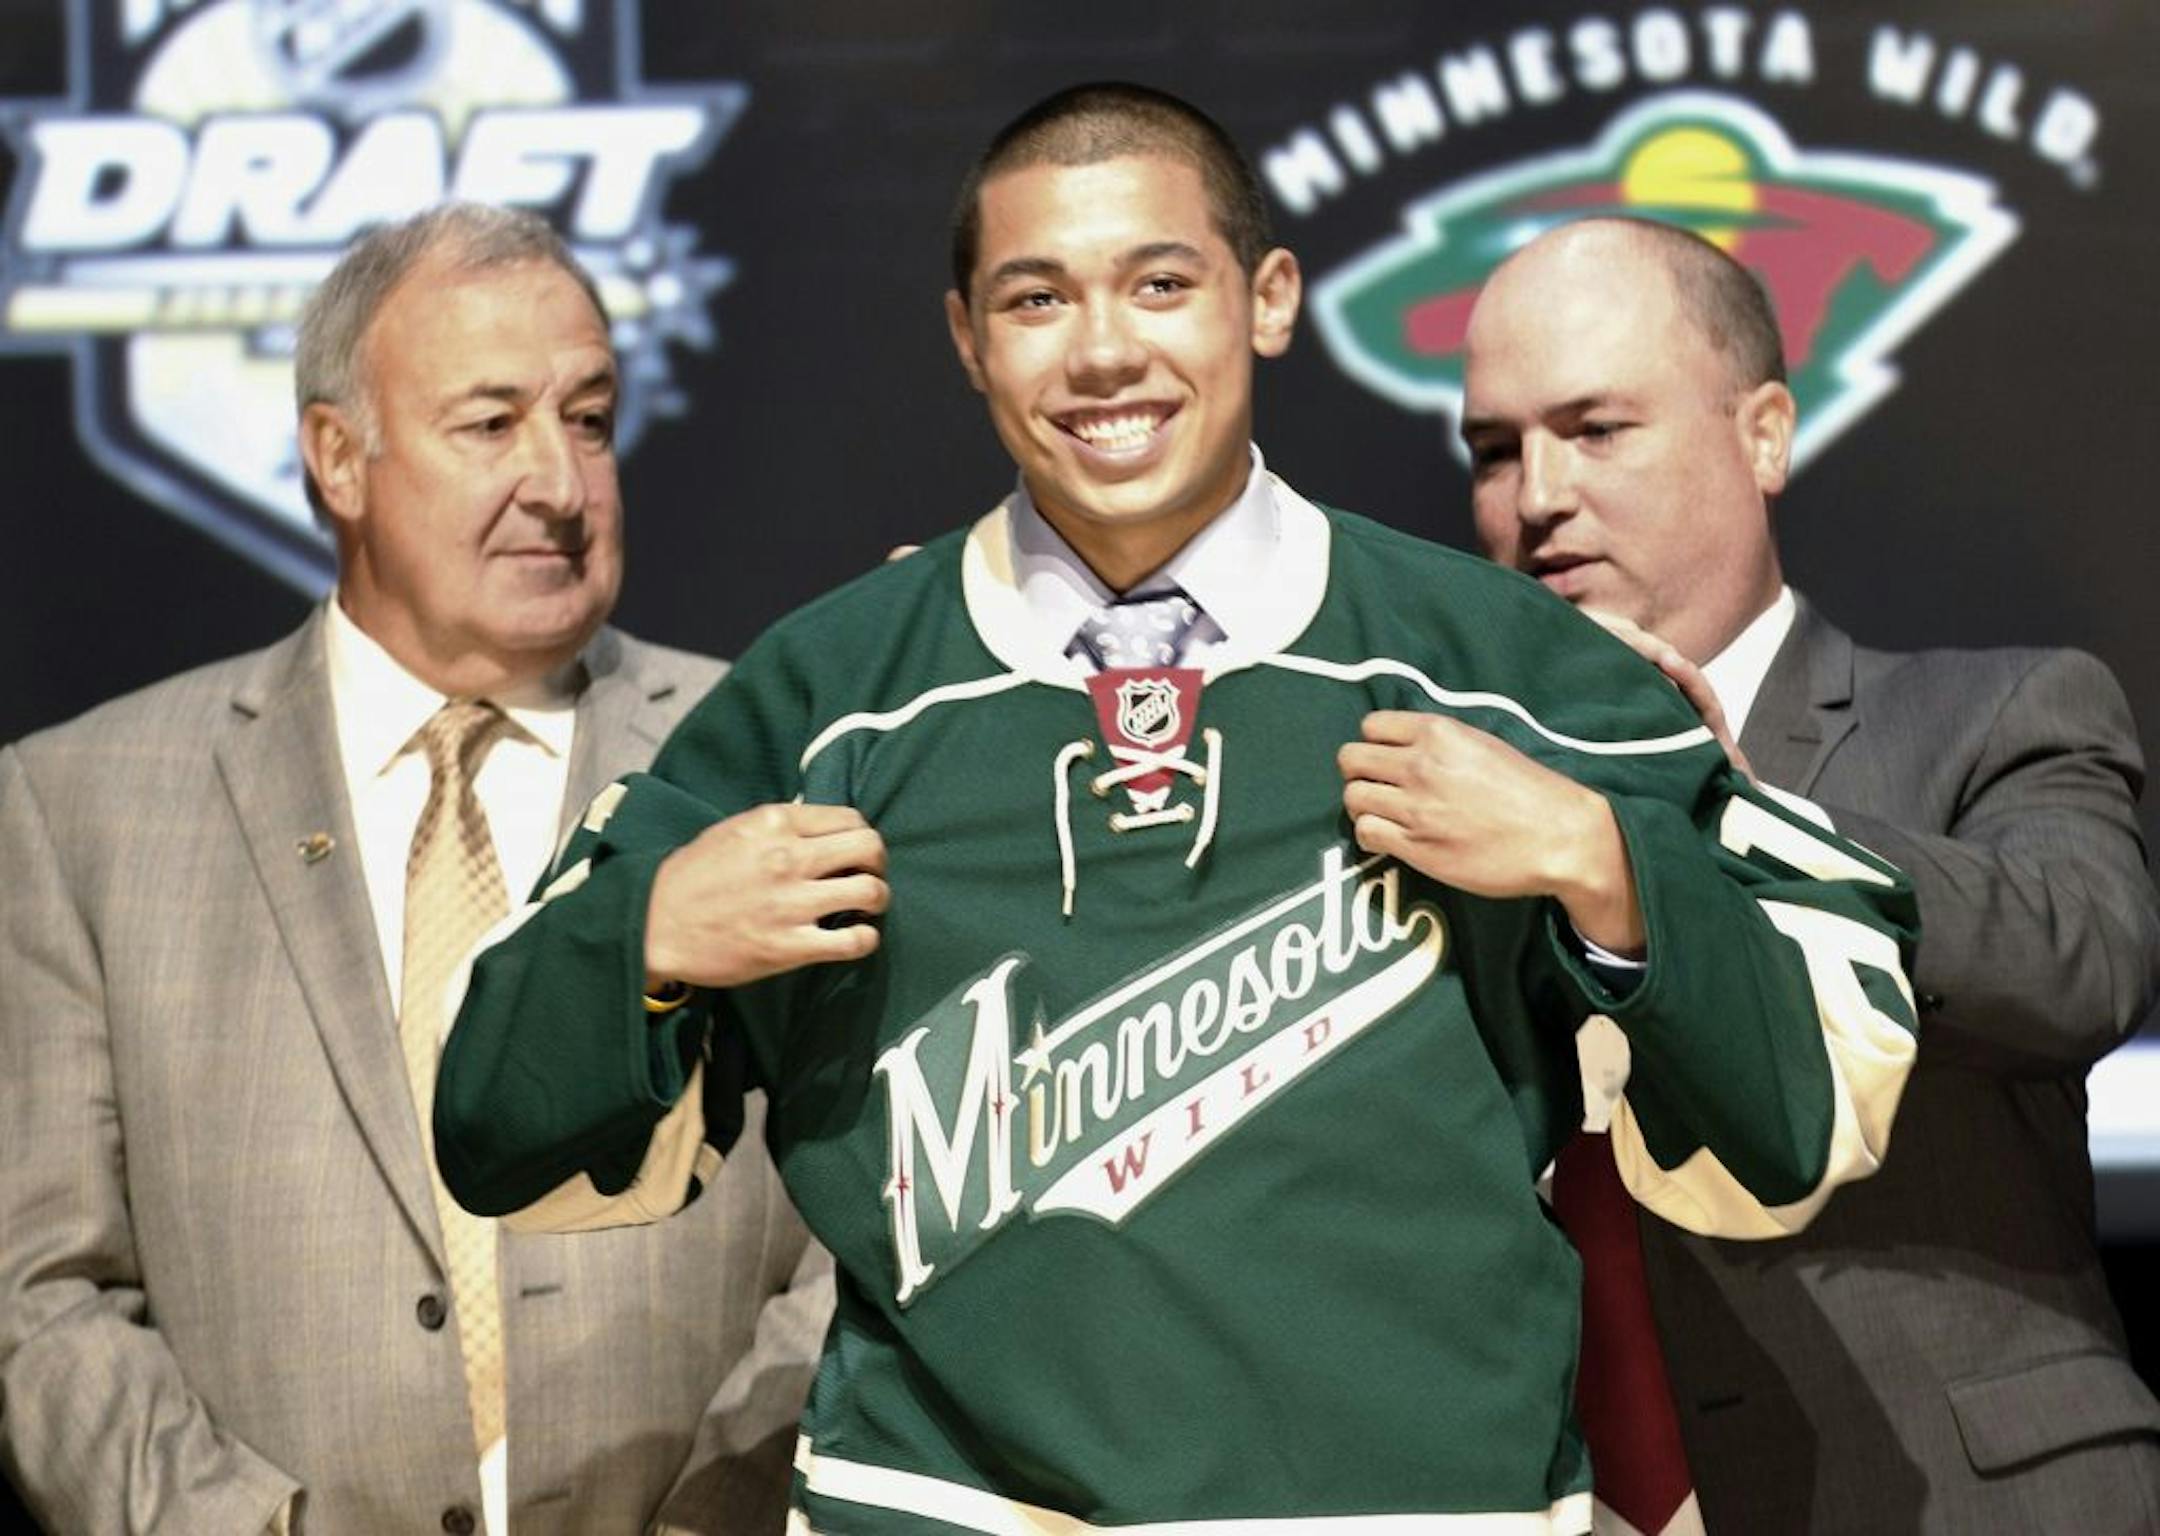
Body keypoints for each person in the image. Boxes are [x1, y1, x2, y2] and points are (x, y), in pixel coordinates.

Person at [435, 86, 1922, 1535]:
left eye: (1159, 284)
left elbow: (1813, 1107)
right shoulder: (825, 696)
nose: (1101, 353)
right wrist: (647, 939)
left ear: (1266, 300)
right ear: (965, 339)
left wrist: (1609, 871)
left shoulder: (1499, 663)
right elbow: (496, 1130)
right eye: (1034, 301)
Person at [0, 204, 830, 1536]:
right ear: (339, 457)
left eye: (591, 420)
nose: (560, 484)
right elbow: (41, 1295)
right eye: (491, 424)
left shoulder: (771, 761)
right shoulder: (75, 810)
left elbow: (871, 1232)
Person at [1463, 215, 2160, 1532]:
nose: (1537, 493)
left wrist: (1734, 814)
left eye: (1596, 428)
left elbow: (2081, 960)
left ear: (1765, 433)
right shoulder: (1456, 806)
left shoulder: (1998, 714)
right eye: (1495, 449)